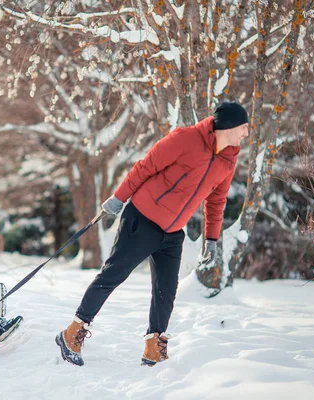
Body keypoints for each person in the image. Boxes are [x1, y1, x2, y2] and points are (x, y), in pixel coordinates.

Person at [56, 101, 249, 367]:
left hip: (172, 232)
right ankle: (72, 332)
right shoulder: (185, 138)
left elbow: (217, 201)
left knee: (166, 290)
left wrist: (212, 238)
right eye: (243, 127)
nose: (246, 134)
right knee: (114, 274)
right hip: (143, 218)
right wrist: (118, 198)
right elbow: (145, 166)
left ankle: (153, 347)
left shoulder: (228, 160)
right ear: (227, 125)